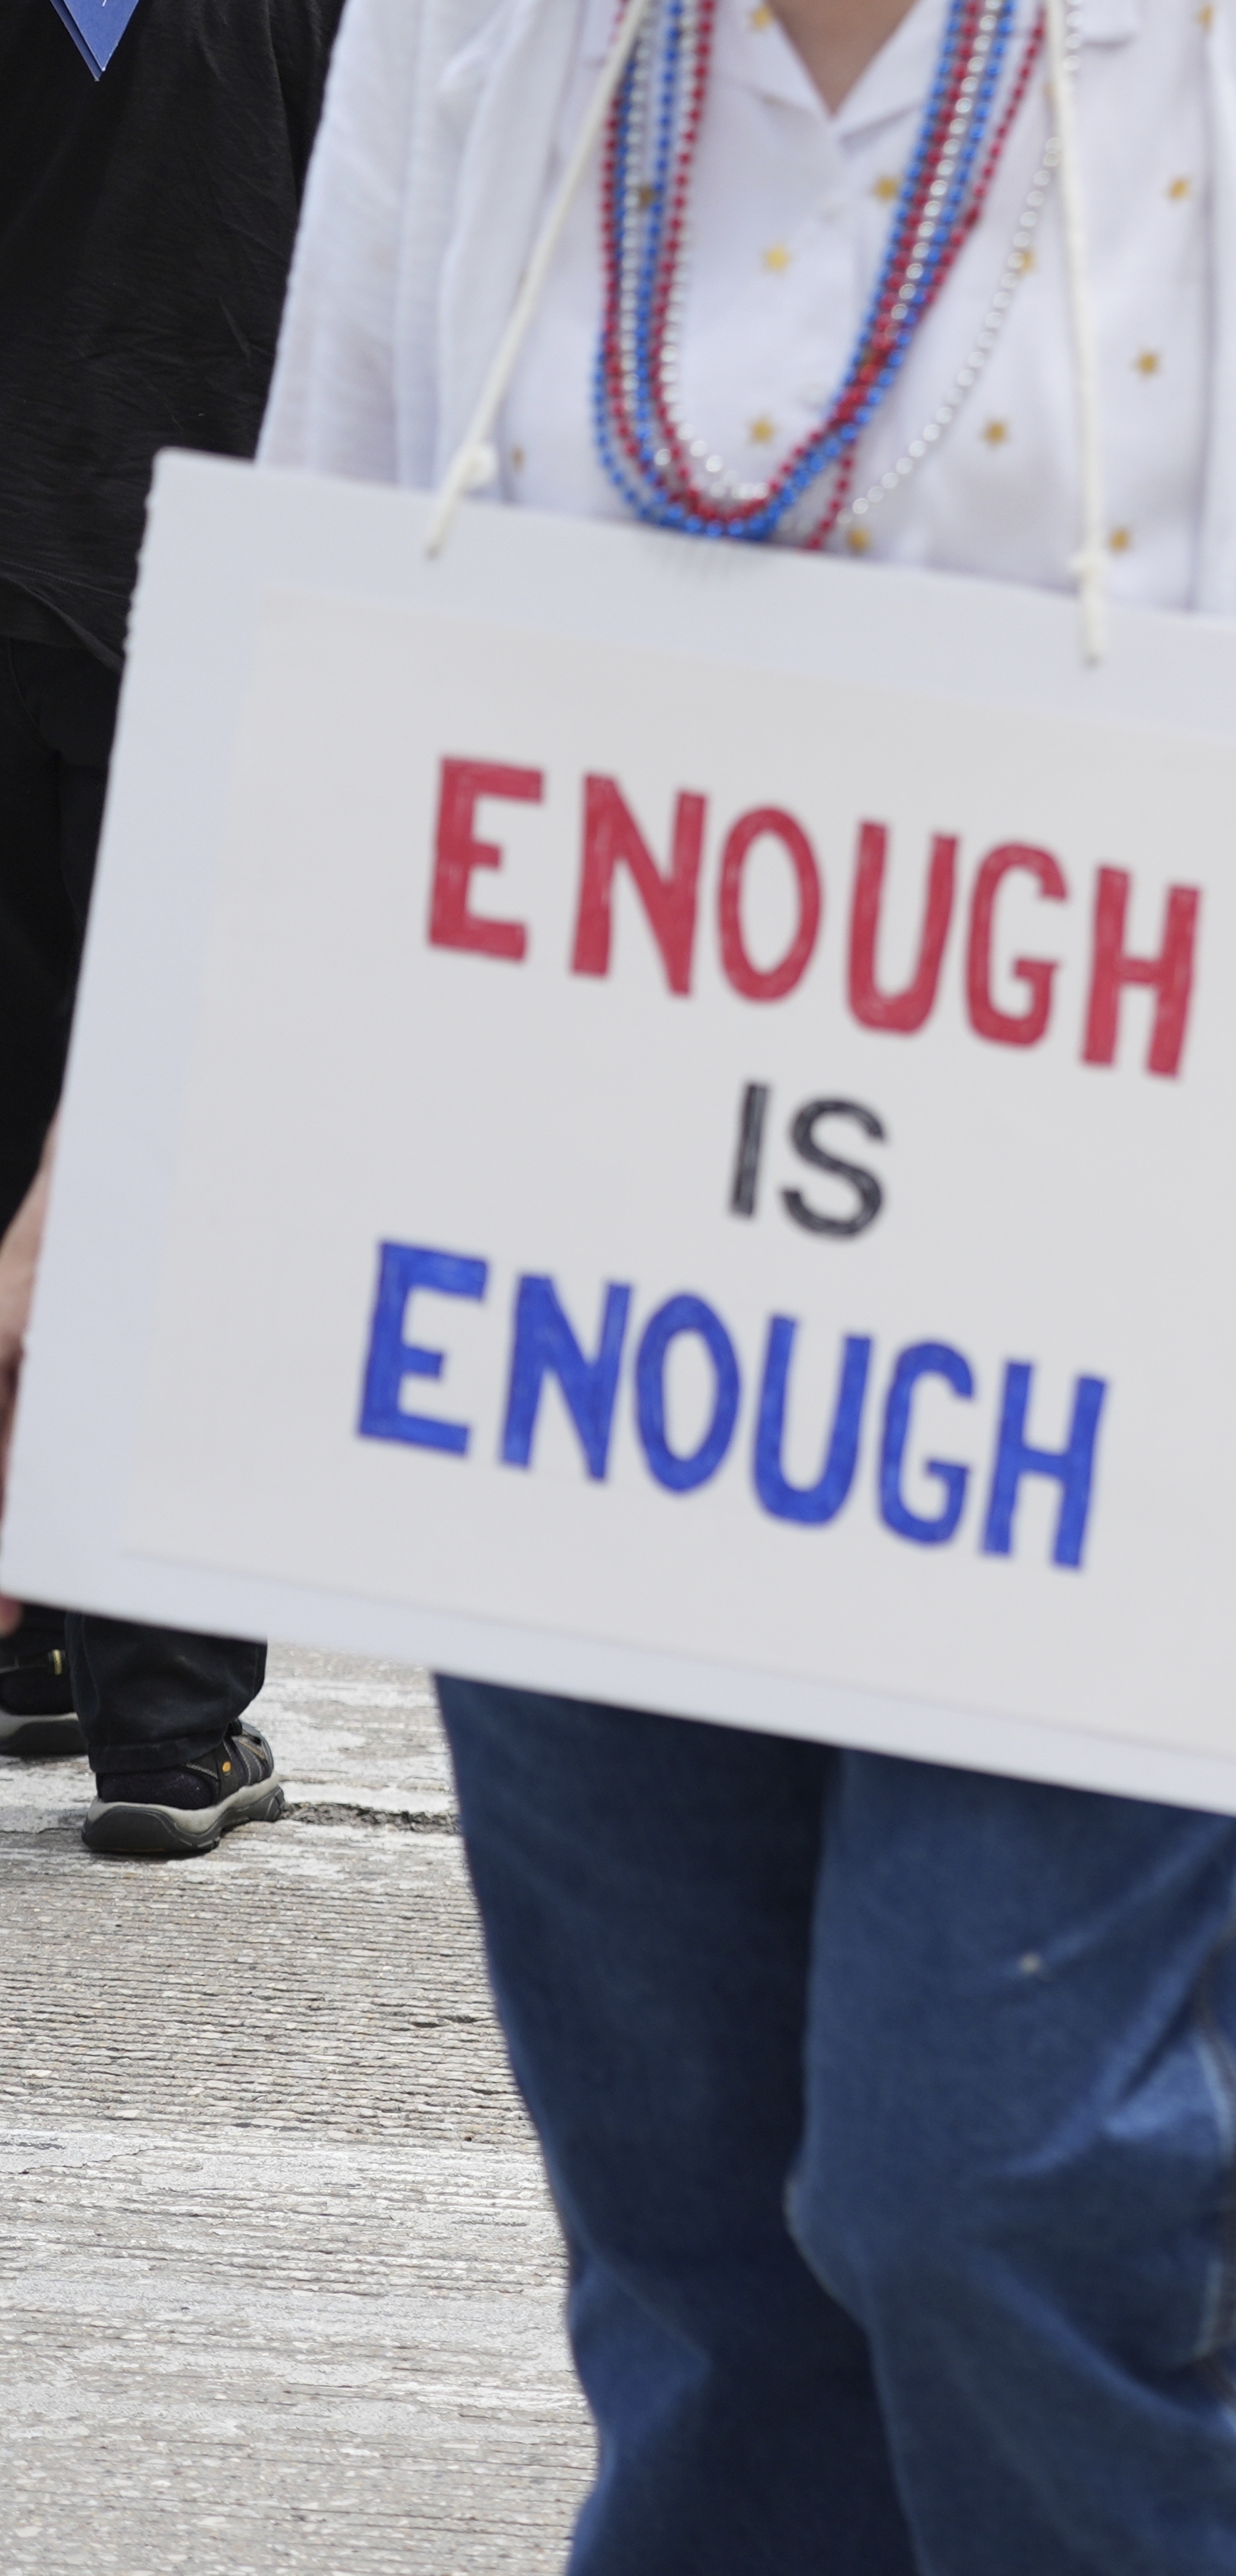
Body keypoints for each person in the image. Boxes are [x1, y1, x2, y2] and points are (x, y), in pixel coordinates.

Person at [65, 0, 1236, 2564]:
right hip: (581, 1303)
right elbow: (311, 561)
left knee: (1005, 2185)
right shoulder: (475, 33)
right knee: (698, 2259)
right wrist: (109, 1158)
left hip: (1126, 1313)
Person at [0, 0, 329, 1855]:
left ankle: (35, 1632)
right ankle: (171, 1716)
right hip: (193, 593)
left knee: (21, 1099)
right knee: (181, 1125)